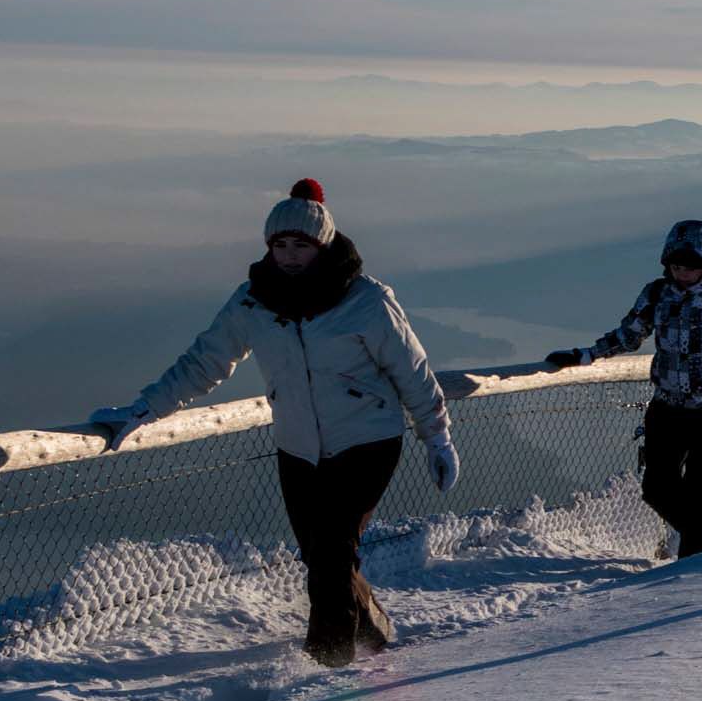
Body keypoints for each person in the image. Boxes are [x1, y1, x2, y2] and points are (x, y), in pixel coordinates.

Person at [91, 178, 456, 667]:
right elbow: (205, 362)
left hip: (366, 441)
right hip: (298, 447)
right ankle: (373, 628)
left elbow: (412, 371)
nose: (287, 256)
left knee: (330, 555)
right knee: (324, 557)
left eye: (299, 246)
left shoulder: (366, 300)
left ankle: (328, 666)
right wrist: (142, 410)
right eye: (279, 245)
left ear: (321, 245)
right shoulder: (254, 302)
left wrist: (437, 438)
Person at [544, 217, 702, 559]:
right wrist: (586, 355)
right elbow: (629, 335)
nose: (683, 273)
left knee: (700, 494)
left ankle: (693, 572)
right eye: (676, 265)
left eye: (690, 267)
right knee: (657, 489)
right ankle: (700, 548)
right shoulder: (656, 294)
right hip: (667, 409)